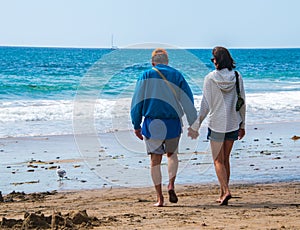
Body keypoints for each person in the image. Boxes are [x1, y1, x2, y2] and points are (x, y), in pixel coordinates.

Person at [131, 48, 197, 207]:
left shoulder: (146, 75)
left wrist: (136, 124)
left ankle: (160, 198)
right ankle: (171, 184)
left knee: (155, 160)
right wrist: (193, 121)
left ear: (153, 62)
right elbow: (188, 99)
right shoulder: (177, 75)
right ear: (167, 62)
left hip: (153, 123)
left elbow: (137, 101)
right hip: (173, 122)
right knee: (172, 155)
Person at [188, 46, 246, 205]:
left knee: (217, 161)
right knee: (225, 159)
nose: (212, 61)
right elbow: (242, 102)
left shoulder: (210, 78)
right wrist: (243, 124)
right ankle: (222, 192)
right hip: (233, 122)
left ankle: (226, 191)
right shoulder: (237, 76)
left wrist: (196, 124)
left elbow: (205, 105)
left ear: (218, 60)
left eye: (213, 58)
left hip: (216, 124)